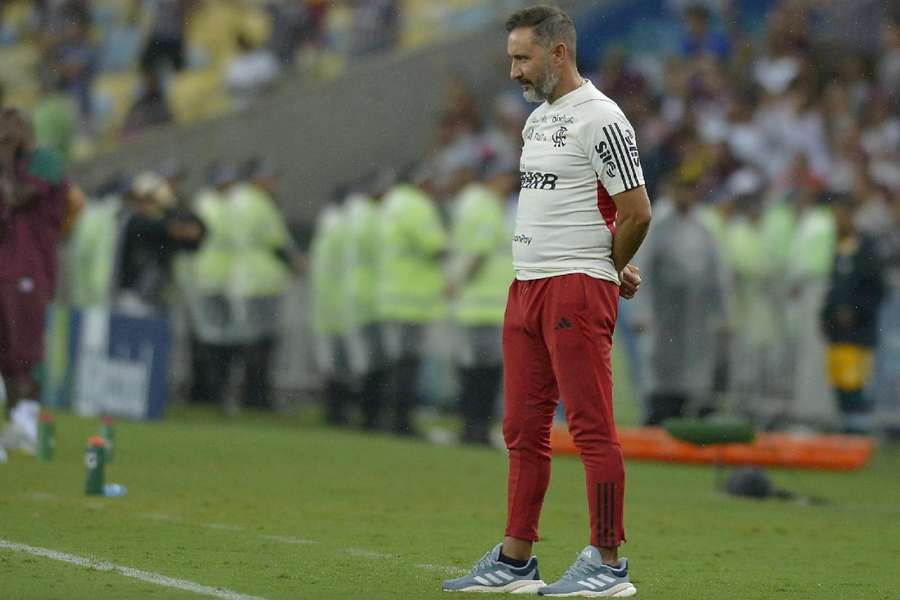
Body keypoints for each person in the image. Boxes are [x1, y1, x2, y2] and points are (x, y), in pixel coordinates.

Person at [443, 7, 649, 596]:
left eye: (522, 57)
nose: (513, 71)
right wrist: (612, 262)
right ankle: (515, 559)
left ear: (559, 53)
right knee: (521, 428)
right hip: (528, 285)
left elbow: (637, 210)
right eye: (511, 57)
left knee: (590, 428)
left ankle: (609, 565)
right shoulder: (538, 122)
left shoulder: (603, 118)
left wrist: (604, 270)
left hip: (573, 288)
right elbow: (579, 209)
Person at [0, 108, 79, 451]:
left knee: (24, 349)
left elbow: (18, 198)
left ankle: (26, 422)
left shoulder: (43, 161)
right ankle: (15, 424)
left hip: (28, 269)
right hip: (5, 266)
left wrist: (4, 158)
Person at [447, 160, 516, 445]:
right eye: (506, 178)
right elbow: (479, 252)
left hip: (476, 303)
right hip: (487, 303)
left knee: (473, 369)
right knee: (485, 373)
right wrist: (458, 282)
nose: (510, 184)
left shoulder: (472, 204)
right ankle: (476, 429)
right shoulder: (488, 207)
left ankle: (470, 427)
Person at [821, 195, 885, 434]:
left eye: (840, 216)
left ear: (850, 216)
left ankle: (858, 436)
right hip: (837, 332)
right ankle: (846, 433)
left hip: (859, 333)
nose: (837, 222)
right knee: (839, 384)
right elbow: (832, 288)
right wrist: (826, 318)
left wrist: (856, 312)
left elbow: (877, 290)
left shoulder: (866, 249)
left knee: (854, 385)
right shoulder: (839, 248)